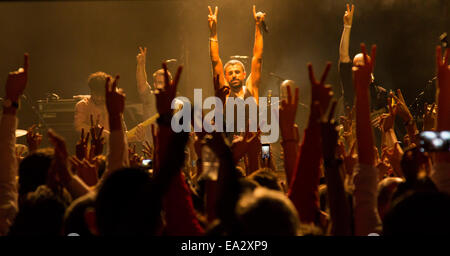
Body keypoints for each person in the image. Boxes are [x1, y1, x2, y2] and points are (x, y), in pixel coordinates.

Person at [208, 5, 265, 103]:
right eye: (230, 73)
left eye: (237, 72)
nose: (234, 75)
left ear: (244, 74)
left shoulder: (252, 89)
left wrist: (258, 26)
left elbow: (257, 57)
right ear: (225, 77)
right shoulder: (224, 92)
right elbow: (215, 60)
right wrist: (213, 32)